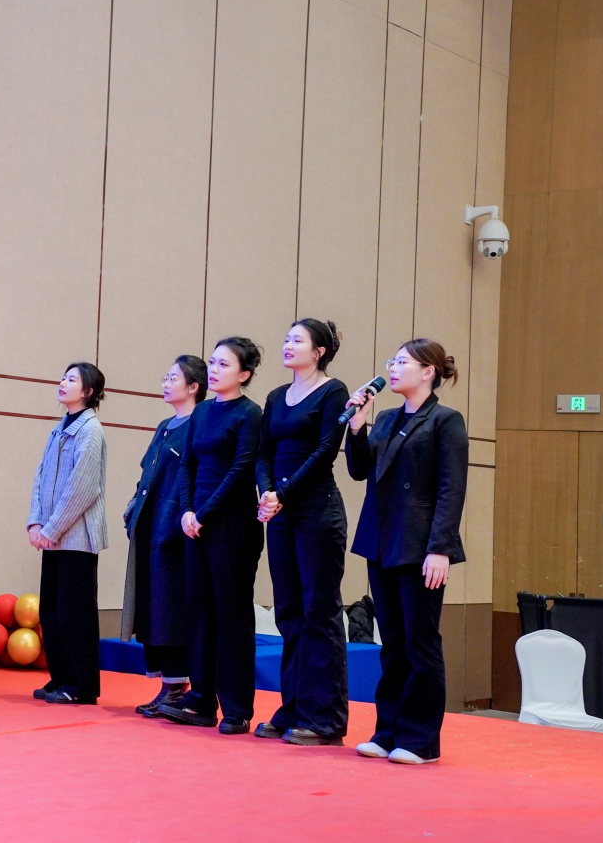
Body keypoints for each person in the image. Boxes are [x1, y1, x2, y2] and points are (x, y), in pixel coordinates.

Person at [343, 338, 468, 765]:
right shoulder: (384, 419)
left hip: (421, 546)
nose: (392, 369)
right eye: (391, 362)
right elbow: (360, 470)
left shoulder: (445, 421)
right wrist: (356, 427)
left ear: (428, 371)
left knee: (420, 642)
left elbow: (452, 489)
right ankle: (388, 731)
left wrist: (441, 549)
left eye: (401, 362)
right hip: (382, 541)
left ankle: (420, 740)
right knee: (392, 642)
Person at [157, 337, 265, 735]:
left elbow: (241, 471)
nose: (214, 370)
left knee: (231, 615)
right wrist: (187, 510)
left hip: (232, 525)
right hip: (195, 523)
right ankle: (201, 700)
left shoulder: (249, 413)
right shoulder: (202, 412)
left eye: (224, 364)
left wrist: (203, 513)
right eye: (213, 363)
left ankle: (236, 708)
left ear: (244, 374)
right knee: (198, 610)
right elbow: (187, 465)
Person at [255, 318, 350, 746]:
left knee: (319, 612)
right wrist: (266, 492)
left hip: (316, 511)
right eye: (286, 338)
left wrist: (283, 493)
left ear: (319, 351)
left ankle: (324, 719)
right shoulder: (276, 397)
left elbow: (326, 450)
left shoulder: (333, 392)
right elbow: (263, 452)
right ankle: (292, 708)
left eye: (298, 340)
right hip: (281, 512)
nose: (288, 345)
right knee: (289, 613)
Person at [119, 354, 207, 716]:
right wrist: (132, 507)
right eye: (165, 377)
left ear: (193, 387)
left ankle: (177, 684)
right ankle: (167, 685)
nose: (166, 383)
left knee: (170, 606)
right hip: (150, 524)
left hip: (174, 529)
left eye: (174, 378)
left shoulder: (199, 425)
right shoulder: (164, 426)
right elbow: (147, 473)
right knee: (151, 605)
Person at [28, 361, 108, 705]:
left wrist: (52, 528)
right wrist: (36, 523)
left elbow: (83, 488)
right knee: (52, 611)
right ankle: (60, 677)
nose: (63, 383)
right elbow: (40, 477)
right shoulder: (59, 429)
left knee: (76, 614)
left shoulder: (91, 431)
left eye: (72, 379)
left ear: (88, 392)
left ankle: (81, 686)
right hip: (52, 536)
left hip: (76, 538)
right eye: (63, 377)